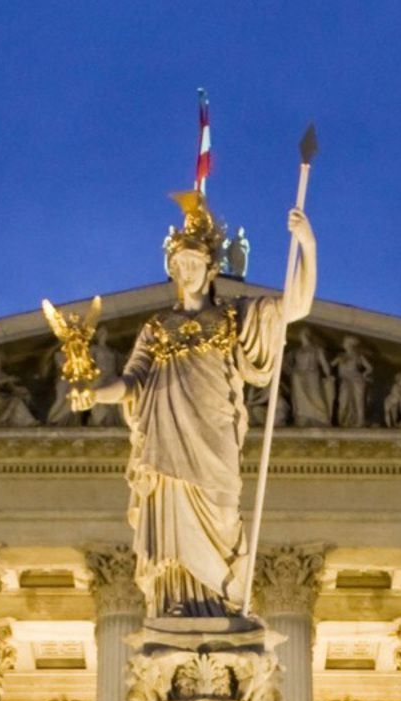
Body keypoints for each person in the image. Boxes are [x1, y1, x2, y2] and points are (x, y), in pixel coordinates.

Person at [67, 189, 316, 615]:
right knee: (173, 533)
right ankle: (180, 606)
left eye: (194, 263)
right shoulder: (157, 327)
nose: (186, 271)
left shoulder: (235, 317)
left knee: (222, 518)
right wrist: (93, 392)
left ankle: (218, 604)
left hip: (213, 437)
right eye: (179, 265)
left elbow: (295, 306)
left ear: (211, 268)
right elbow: (132, 381)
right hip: (167, 445)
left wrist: (306, 244)